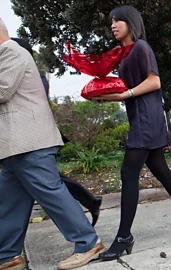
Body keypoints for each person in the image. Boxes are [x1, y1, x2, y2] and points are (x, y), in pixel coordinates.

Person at [91, 6, 171, 260]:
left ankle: (124, 237)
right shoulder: (123, 54)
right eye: (111, 21)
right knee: (162, 171)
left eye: (118, 20)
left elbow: (155, 81)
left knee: (128, 173)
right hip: (139, 117)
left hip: (147, 118)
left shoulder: (141, 47)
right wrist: (104, 96)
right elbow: (125, 88)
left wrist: (125, 94)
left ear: (131, 22)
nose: (113, 24)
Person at [0, 17, 104, 270]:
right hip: (16, 144)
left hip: (28, 141)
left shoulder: (9, 51)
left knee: (51, 193)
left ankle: (88, 242)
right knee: (10, 200)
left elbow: (2, 90)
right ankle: (7, 255)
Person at [11, 37, 103, 226]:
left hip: (35, 138)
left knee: (50, 182)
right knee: (43, 181)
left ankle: (87, 221)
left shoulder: (33, 77)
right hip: (24, 140)